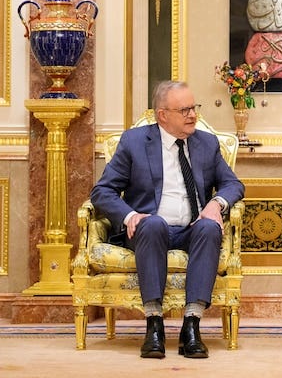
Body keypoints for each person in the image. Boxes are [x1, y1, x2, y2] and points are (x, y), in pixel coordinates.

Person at [91, 80, 245, 359]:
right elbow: (102, 191)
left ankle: (192, 326)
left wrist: (215, 204)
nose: (193, 115)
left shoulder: (206, 143)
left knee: (210, 227)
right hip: (149, 229)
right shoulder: (134, 142)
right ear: (162, 115)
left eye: (194, 107)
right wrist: (130, 215)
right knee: (153, 224)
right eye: (184, 110)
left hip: (191, 230)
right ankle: (154, 325)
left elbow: (233, 185)